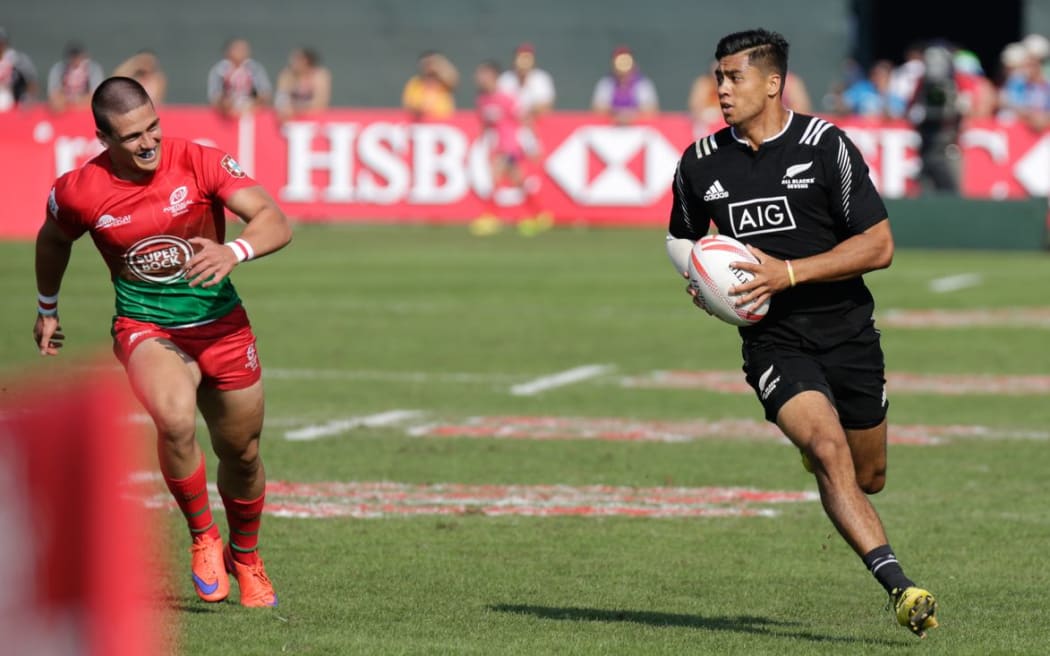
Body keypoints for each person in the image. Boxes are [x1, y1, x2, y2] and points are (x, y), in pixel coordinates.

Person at [666, 28, 938, 638]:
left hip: (848, 335)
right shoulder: (702, 162)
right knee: (825, 449)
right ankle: (901, 587)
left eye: (735, 77)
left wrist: (787, 273)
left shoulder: (826, 147)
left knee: (868, 477)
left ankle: (830, 464)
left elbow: (880, 245)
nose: (723, 89)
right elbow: (680, 236)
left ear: (772, 82)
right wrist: (696, 276)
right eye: (718, 77)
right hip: (774, 343)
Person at [34, 77, 292, 607]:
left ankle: (245, 557)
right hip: (146, 326)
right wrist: (47, 308)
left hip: (221, 324)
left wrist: (235, 251)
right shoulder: (79, 190)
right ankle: (203, 537)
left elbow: (274, 219)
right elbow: (53, 239)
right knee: (174, 418)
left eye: (153, 126)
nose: (149, 141)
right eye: (132, 136)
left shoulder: (199, 160)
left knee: (241, 453)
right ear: (104, 138)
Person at [471, 60, 549, 237]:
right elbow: (485, 124)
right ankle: (540, 214)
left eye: (485, 75)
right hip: (498, 146)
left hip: (511, 145)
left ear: (494, 77)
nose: (481, 79)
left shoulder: (506, 98)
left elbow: (524, 120)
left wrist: (532, 144)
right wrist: (482, 142)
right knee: (518, 181)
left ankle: (491, 217)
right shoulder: (482, 100)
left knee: (495, 176)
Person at [591, 46, 658, 124]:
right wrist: (617, 114)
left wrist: (630, 116)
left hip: (638, 129)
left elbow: (651, 111)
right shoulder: (607, 83)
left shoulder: (642, 84)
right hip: (610, 128)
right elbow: (597, 109)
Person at [207, 38, 272, 118]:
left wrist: (251, 104)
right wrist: (225, 103)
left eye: (244, 49)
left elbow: (265, 94)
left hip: (252, 113)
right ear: (228, 51)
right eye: (237, 49)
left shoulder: (254, 69)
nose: (242, 52)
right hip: (225, 116)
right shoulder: (219, 70)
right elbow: (214, 97)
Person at [274, 47, 331, 121]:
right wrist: (285, 107)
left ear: (306, 61)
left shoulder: (320, 75)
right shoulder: (287, 75)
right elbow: (280, 99)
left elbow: (320, 103)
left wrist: (296, 108)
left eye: (297, 59)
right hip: (290, 120)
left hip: (314, 121)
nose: (292, 62)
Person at [47, 42, 103, 112]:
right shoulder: (58, 69)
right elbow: (53, 95)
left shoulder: (93, 69)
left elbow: (96, 96)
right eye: (72, 57)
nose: (75, 60)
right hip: (64, 109)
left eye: (78, 57)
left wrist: (79, 100)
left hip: (85, 109)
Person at [402, 51, 459, 120]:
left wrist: (440, 65)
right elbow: (409, 104)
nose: (429, 66)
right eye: (426, 63)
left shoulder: (444, 83)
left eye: (432, 63)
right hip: (423, 123)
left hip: (444, 122)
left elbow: (453, 79)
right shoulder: (415, 83)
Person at [0, 27, 38, 111]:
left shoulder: (17, 59)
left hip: (13, 99)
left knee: (3, 98)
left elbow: (31, 80)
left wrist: (29, 98)